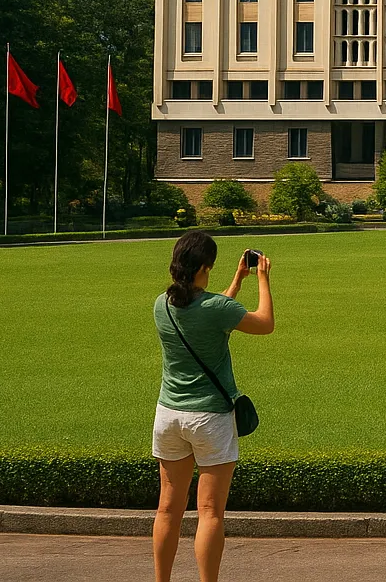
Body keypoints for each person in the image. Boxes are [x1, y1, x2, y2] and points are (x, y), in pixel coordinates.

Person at [152, 230, 274, 582]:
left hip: (169, 415)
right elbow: (264, 323)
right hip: (209, 418)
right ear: (206, 266)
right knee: (209, 512)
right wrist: (262, 279)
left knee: (167, 509)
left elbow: (210, 310)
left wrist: (237, 280)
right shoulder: (215, 309)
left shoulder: (162, 304)